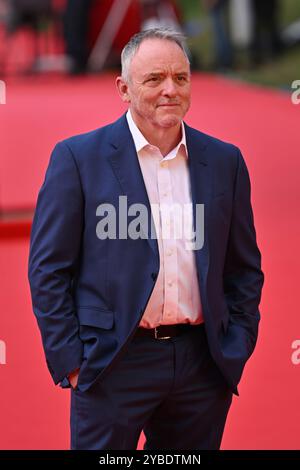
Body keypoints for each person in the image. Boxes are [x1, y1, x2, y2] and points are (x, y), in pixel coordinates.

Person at [28, 28, 264, 450]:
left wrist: (236, 345)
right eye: (154, 79)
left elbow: (244, 267)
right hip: (111, 363)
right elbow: (48, 269)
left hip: (201, 366)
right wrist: (73, 362)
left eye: (180, 78)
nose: (169, 90)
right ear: (124, 88)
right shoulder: (78, 158)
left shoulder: (225, 161)